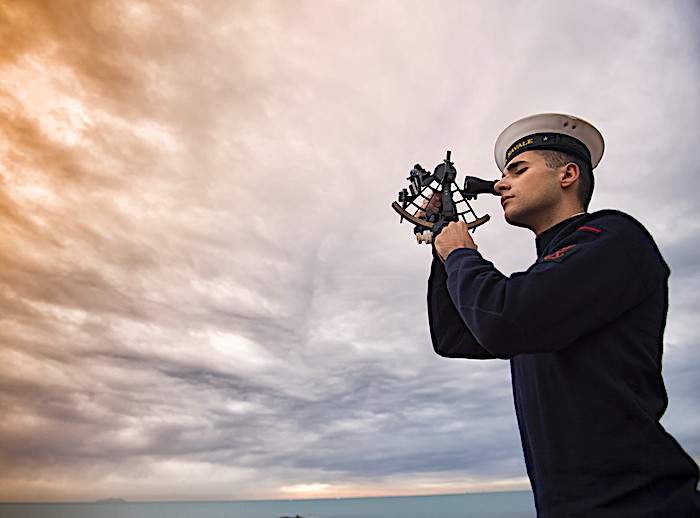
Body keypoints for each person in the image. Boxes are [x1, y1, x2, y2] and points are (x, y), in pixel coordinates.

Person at [427, 113, 700, 517]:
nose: (500, 184)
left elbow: (504, 318)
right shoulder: (545, 283)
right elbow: (455, 336)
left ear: (568, 174)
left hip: (643, 506)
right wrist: (442, 248)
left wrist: (461, 255)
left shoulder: (615, 238)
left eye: (518, 170)